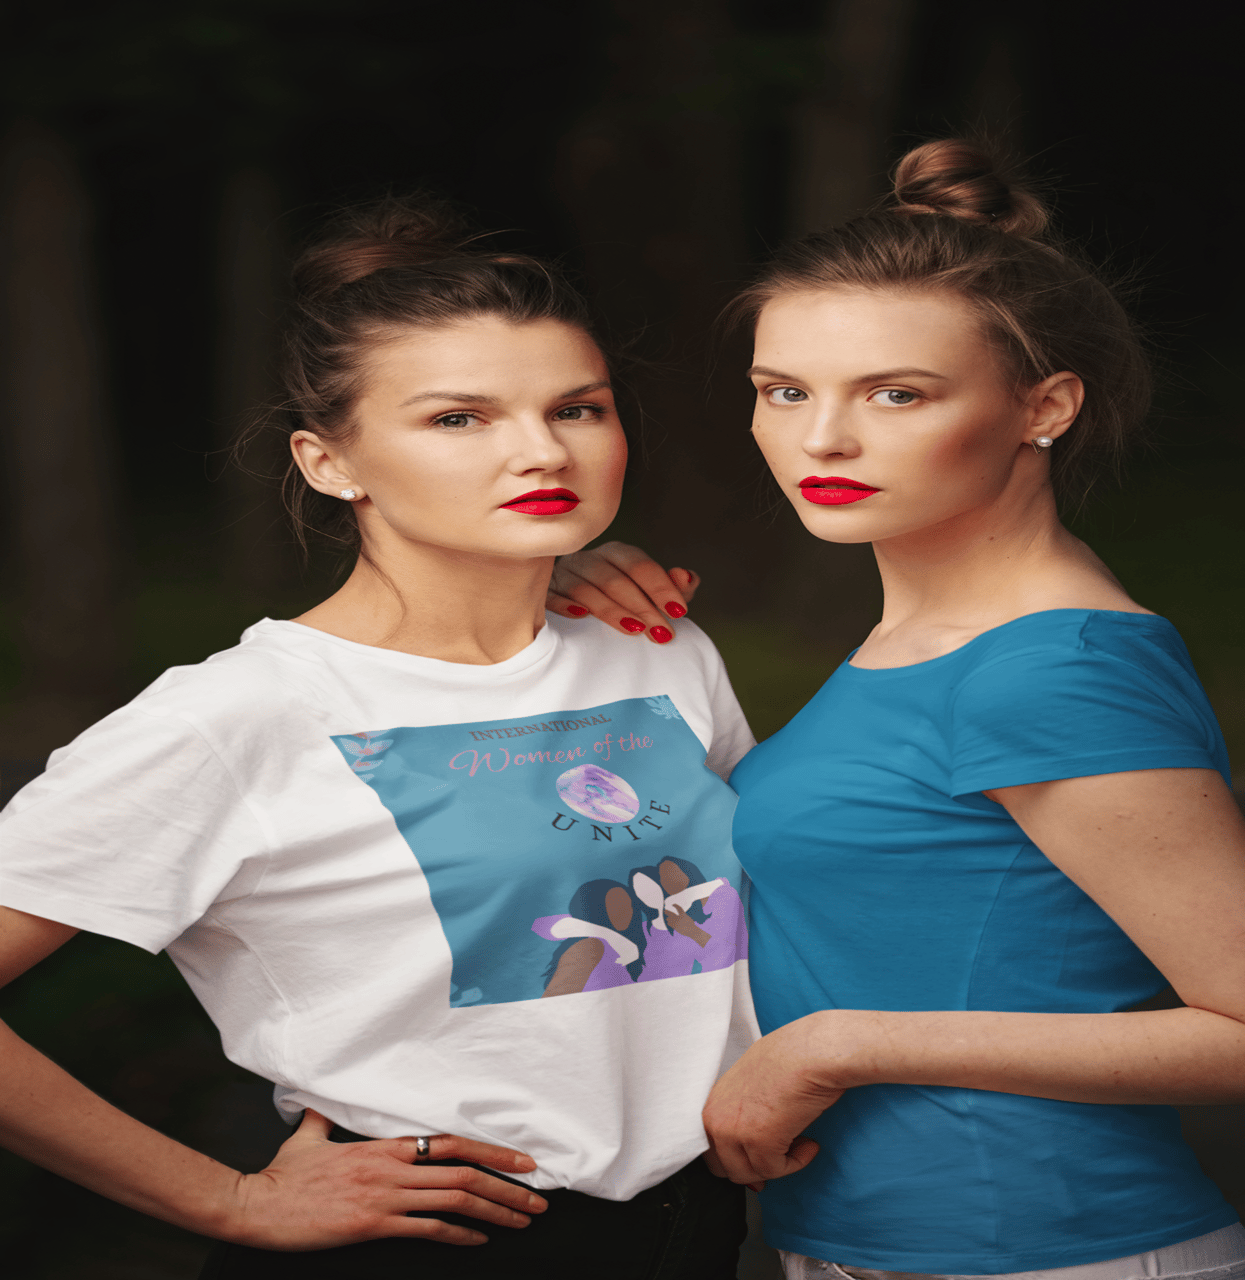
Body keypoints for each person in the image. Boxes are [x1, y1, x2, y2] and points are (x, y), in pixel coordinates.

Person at [548, 140, 1245, 1280]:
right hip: (876, 1247)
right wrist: (541, 591)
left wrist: (837, 1048)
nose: (822, 438)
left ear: (1044, 406)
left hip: (1045, 1251)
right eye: (784, 391)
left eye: (897, 394)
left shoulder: (1047, 667)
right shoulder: (923, 640)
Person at [0, 198, 757, 1278]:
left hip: (698, 1224)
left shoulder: (656, 647)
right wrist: (227, 1201)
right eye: (458, 419)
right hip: (431, 1236)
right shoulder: (239, 714)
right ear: (328, 462)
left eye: (577, 408)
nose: (542, 450)